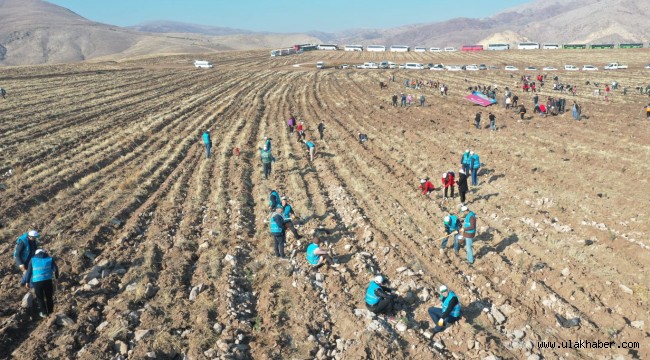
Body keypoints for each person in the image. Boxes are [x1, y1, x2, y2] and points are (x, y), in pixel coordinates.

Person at [21, 248, 59, 318]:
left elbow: (28, 272)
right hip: (48, 281)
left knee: (40, 298)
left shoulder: (32, 260)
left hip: (37, 282)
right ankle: (50, 312)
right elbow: (55, 269)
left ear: (36, 254)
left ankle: (44, 313)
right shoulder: (49, 258)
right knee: (49, 297)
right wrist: (56, 277)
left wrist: (27, 281)